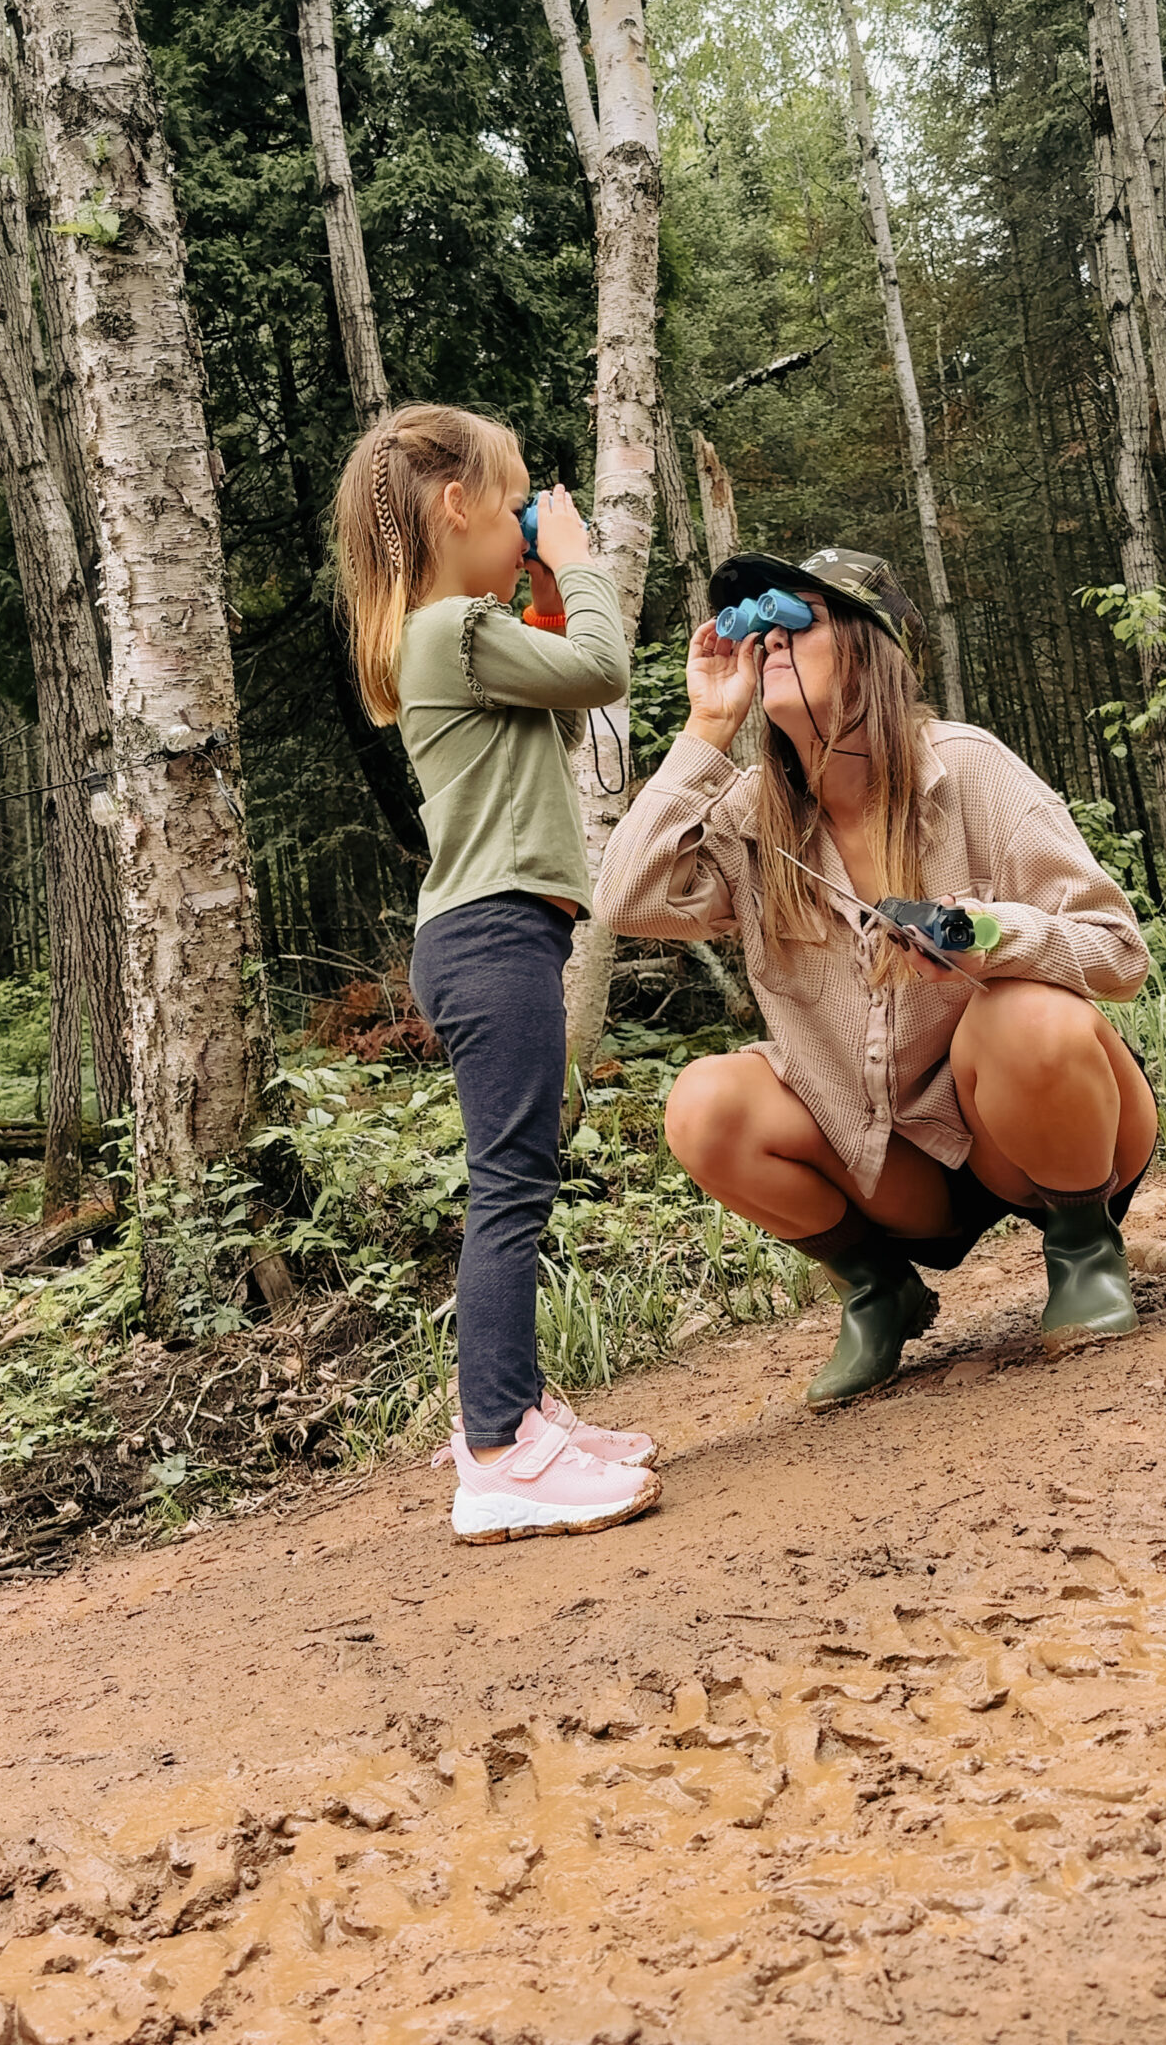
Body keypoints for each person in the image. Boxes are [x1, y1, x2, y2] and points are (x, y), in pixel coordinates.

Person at [593, 547, 1157, 1409]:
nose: (768, 639)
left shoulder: (966, 768)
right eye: (759, 626)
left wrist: (993, 937)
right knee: (705, 1104)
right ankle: (878, 1288)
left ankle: (1083, 1249)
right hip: (897, 1166)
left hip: (1036, 1129)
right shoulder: (751, 818)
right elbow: (625, 900)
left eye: (798, 618)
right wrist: (705, 727)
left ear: (871, 649)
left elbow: (1119, 952)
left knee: (1025, 1017)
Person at [332, 403, 660, 1539]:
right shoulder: (450, 629)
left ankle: (518, 1413)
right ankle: (497, 1454)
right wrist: (580, 559)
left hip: (497, 934)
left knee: (517, 1174)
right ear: (455, 506)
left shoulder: (456, 634)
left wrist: (551, 585)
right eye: (516, 502)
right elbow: (604, 669)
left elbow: (560, 709)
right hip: (492, 933)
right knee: (511, 1185)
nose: (527, 521)